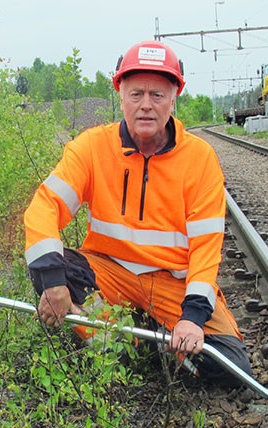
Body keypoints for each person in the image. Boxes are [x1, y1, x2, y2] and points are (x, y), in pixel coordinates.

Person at [23, 40, 252, 385]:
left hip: (172, 284)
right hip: (109, 274)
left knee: (231, 367)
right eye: (136, 94)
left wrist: (192, 317)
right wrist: (53, 283)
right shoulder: (92, 147)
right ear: (121, 96)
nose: (146, 105)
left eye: (157, 95)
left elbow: (206, 248)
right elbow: (45, 206)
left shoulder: (200, 159)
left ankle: (148, 339)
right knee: (52, 268)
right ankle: (124, 344)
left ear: (174, 97)